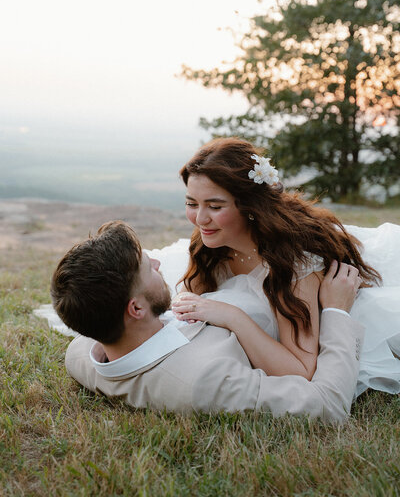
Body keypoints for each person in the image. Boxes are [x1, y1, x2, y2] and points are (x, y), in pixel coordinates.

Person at [51, 220, 364, 423]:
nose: (159, 262)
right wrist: (337, 311)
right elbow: (328, 407)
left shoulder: (81, 353)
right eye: (148, 268)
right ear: (135, 309)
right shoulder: (207, 382)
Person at [168, 137, 400, 397]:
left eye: (215, 206)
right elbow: (189, 301)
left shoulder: (293, 262)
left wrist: (232, 316)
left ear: (249, 206)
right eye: (191, 203)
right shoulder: (208, 242)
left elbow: (302, 371)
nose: (200, 219)